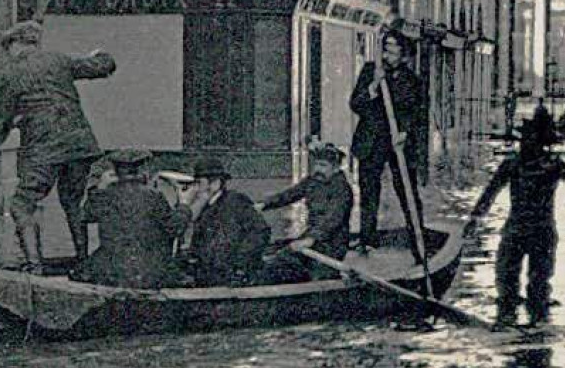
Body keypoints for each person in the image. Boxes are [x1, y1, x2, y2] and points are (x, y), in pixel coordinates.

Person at [0, 20, 117, 272]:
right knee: (73, 201)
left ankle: (34, 267)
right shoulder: (59, 60)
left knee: (22, 204)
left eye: (7, 48)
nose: (8, 55)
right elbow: (103, 66)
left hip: (44, 150)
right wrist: (101, 54)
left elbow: (1, 123)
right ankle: (83, 262)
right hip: (80, 145)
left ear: (15, 44)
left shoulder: (11, 74)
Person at [467, 108, 565, 326]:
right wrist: (474, 220)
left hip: (533, 232)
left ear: (539, 141)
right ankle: (523, 328)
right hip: (525, 232)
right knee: (511, 289)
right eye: (524, 139)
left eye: (529, 139)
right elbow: (489, 194)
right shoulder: (534, 165)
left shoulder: (542, 165)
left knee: (534, 291)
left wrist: (474, 219)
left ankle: (524, 329)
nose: (524, 143)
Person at [350, 26, 427, 257]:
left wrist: (405, 132)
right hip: (371, 141)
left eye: (393, 51)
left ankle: (417, 238)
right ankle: (367, 239)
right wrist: (373, 87)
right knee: (369, 191)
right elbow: (355, 104)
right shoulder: (370, 72)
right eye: (386, 50)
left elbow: (418, 114)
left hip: (398, 144)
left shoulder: (412, 81)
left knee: (406, 190)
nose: (387, 56)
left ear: (403, 55)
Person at [76, 149, 188, 288]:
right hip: (148, 271)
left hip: (112, 271)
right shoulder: (153, 196)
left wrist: (99, 188)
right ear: (140, 170)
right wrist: (184, 205)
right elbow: (175, 227)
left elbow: (84, 216)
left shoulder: (105, 196)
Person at [257, 142, 355, 283]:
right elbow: (290, 194)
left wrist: (311, 239)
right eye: (317, 164)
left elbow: (333, 218)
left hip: (333, 243)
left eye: (323, 166)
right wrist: (264, 204)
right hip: (310, 238)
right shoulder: (313, 182)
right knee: (279, 258)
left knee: (318, 278)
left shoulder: (342, 189)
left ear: (335, 168)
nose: (318, 169)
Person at [179, 156, 272, 287]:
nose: (195, 189)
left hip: (234, 278)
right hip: (211, 277)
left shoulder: (236, 202)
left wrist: (239, 264)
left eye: (199, 183)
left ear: (215, 184)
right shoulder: (204, 208)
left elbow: (261, 232)